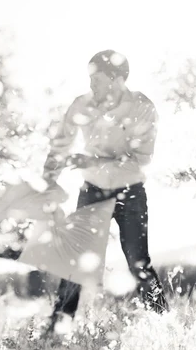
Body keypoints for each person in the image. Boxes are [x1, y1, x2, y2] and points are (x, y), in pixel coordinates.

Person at [42, 50, 169, 333]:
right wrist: (47, 180)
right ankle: (57, 330)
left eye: (96, 79)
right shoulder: (81, 105)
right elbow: (60, 144)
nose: (91, 86)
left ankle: (163, 326)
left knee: (138, 263)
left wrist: (92, 161)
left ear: (115, 79)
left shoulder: (142, 107)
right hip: (92, 192)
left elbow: (141, 161)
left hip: (131, 193)